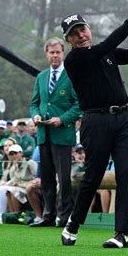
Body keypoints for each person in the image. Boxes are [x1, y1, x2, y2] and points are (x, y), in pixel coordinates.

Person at [60, 1, 128, 249]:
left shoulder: (105, 52)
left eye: (82, 30)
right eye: (74, 34)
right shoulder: (75, 59)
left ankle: (122, 233)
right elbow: (106, 45)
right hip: (95, 121)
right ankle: (74, 223)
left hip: (123, 118)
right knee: (93, 176)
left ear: (88, 29)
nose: (81, 36)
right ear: (69, 41)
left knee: (125, 174)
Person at [30, 37, 81, 228]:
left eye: (58, 52)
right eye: (51, 52)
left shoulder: (72, 75)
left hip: (63, 134)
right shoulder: (41, 77)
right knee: (47, 177)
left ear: (63, 53)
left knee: (64, 178)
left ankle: (64, 216)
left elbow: (79, 105)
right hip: (43, 134)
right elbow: (34, 103)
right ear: (46, 54)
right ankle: (48, 215)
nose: (55, 56)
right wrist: (35, 116)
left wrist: (62, 119)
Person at [0, 144, 37, 224]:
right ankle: (4, 215)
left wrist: (19, 184)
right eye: (11, 154)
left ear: (21, 153)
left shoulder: (30, 163)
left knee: (10, 190)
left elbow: (36, 178)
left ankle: (14, 215)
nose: (13, 156)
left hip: (29, 187)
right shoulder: (14, 166)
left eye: (15, 153)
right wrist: (1, 185)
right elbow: (13, 180)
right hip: (18, 188)